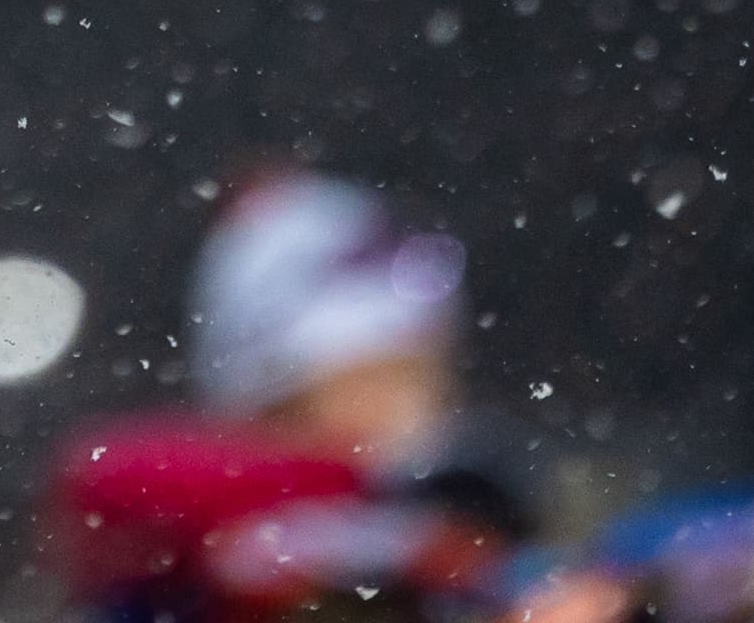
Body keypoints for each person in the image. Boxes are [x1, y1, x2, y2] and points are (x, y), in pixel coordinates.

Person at [38, 170, 535, 619]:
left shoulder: (465, 509)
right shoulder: (185, 548)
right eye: (371, 381)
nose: (409, 411)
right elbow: (111, 480)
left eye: (423, 378)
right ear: (276, 404)